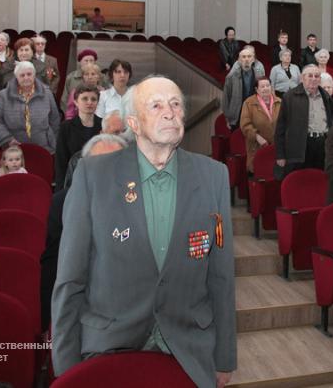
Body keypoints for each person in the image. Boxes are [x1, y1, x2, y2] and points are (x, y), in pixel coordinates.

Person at [52, 76, 237, 387]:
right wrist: (65, 361)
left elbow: (221, 276)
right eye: (157, 105)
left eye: (176, 104)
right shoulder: (93, 175)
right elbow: (71, 277)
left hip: (188, 348)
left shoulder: (214, 175)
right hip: (108, 345)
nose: (170, 112)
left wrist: (224, 356)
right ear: (134, 123)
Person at [39, 133, 127, 332]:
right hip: (83, 313)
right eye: (99, 163)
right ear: (84, 167)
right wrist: (50, 322)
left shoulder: (141, 202)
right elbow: (53, 267)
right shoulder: (62, 204)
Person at [274, 65, 333, 177]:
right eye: (310, 75)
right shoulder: (290, 96)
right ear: (302, 78)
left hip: (322, 144)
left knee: (320, 179)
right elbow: (280, 127)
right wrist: (280, 154)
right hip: (301, 146)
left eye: (317, 76)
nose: (313, 79)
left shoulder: (326, 96)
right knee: (300, 180)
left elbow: (331, 122)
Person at [0, 61, 60, 153]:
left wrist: (52, 139)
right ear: (16, 77)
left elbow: (54, 119)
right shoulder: (4, 95)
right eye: (22, 75)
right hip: (14, 149)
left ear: (34, 75)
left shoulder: (47, 93)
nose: (26, 78)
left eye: (29, 74)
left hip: (43, 147)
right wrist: (7, 139)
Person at [55, 85, 102, 190]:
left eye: (93, 99)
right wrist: (60, 188)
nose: (89, 102)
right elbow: (61, 160)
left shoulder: (103, 124)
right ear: (76, 102)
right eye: (85, 98)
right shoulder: (66, 127)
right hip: (73, 181)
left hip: (98, 181)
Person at [239, 77, 281, 173]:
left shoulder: (279, 102)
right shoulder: (248, 103)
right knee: (260, 175)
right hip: (257, 146)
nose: (266, 88)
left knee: (275, 176)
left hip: (276, 147)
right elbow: (245, 125)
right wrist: (257, 137)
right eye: (262, 86)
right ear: (256, 89)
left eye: (268, 85)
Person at [222, 47, 264, 129]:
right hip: (236, 115)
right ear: (239, 60)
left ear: (253, 59)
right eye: (243, 57)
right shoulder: (231, 77)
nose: (246, 59)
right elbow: (226, 98)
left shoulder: (259, 76)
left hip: (254, 114)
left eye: (249, 56)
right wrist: (227, 118)